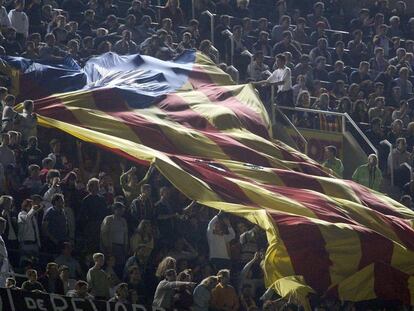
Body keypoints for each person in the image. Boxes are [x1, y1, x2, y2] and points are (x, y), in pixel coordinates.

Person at [100, 202, 128, 275]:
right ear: (115, 209)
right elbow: (104, 233)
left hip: (121, 246)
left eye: (122, 209)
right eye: (120, 209)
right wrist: (107, 245)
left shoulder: (123, 220)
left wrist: (126, 245)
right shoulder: (108, 219)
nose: (121, 211)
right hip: (112, 245)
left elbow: (125, 234)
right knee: (111, 264)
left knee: (120, 264)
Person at [0, 217, 11, 287]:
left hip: (4, 262)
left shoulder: (1, 237)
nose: (4, 228)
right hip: (1, 261)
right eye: (2, 226)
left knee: (3, 281)